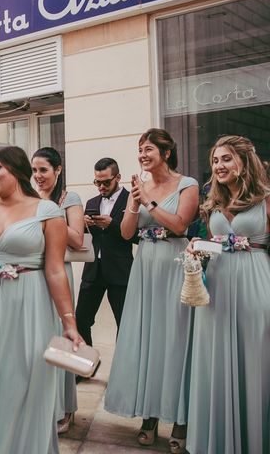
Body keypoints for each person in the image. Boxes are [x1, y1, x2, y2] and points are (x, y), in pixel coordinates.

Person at [0, 145, 83, 454]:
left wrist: (69, 323)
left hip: (30, 306)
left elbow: (55, 271)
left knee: (25, 384)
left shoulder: (47, 211)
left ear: (16, 171)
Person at [104, 128, 199, 452]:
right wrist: (134, 202)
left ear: (166, 152)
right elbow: (128, 233)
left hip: (174, 265)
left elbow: (180, 225)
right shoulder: (140, 188)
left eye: (148, 150)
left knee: (175, 342)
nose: (143, 156)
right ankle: (149, 415)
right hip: (145, 267)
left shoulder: (187, 185)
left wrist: (149, 200)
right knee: (148, 341)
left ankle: (180, 419)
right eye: (140, 150)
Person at [186, 135, 270, 454]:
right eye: (215, 161)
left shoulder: (267, 199)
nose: (219, 166)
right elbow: (213, 241)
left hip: (256, 284)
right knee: (216, 360)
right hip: (218, 288)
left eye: (226, 159)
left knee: (256, 363)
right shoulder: (214, 204)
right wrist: (198, 248)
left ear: (244, 162)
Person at [31, 146, 83, 434]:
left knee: (61, 340)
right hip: (35, 274)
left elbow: (76, 238)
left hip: (60, 273)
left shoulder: (68, 198)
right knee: (39, 341)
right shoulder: (30, 199)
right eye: (34, 170)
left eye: (43, 170)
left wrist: (51, 214)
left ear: (58, 170)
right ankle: (41, 405)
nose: (38, 176)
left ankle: (65, 409)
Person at [76, 158, 134, 351]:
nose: (101, 186)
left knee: (124, 323)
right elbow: (83, 238)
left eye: (106, 182)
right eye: (97, 182)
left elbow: (136, 237)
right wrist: (83, 224)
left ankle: (121, 373)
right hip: (93, 270)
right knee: (81, 319)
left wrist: (112, 225)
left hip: (120, 271)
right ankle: (84, 365)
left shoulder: (131, 199)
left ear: (118, 177)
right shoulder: (91, 202)